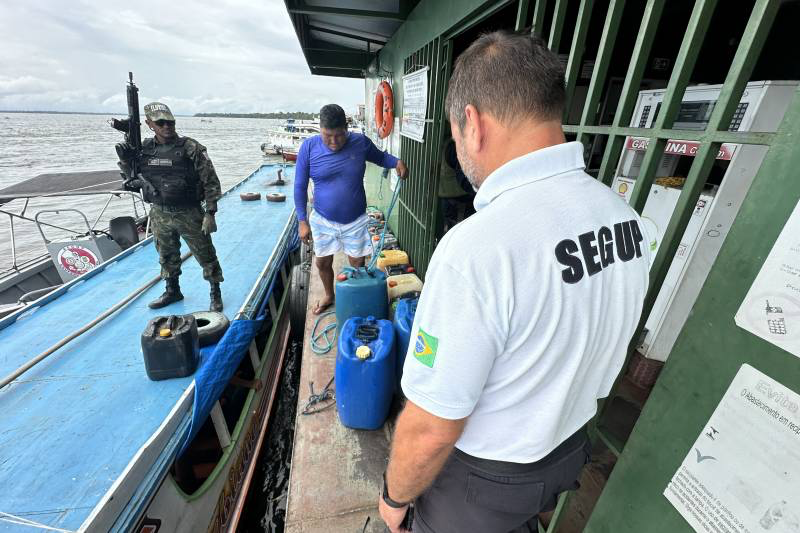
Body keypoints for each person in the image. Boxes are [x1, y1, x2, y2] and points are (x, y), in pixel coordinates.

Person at [378, 31, 650, 533]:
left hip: (483, 484)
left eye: (456, 135)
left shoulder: (476, 250)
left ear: (473, 123)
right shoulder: (626, 219)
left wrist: (394, 497)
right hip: (566, 451)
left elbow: (432, 427)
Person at [294, 104, 408, 314]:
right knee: (322, 262)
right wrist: (302, 221)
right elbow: (299, 186)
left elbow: (381, 157)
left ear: (346, 129)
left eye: (339, 135)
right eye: (327, 136)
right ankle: (329, 295)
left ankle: (357, 298)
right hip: (322, 219)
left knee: (357, 263)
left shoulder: (360, 142)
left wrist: (396, 162)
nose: (334, 141)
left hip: (355, 220)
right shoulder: (308, 148)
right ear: (320, 130)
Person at [121, 102, 224, 311]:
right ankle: (172, 290)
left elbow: (211, 181)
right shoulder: (144, 150)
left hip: (189, 212)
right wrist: (125, 160)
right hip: (160, 212)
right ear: (149, 124)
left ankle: (215, 293)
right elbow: (131, 177)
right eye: (160, 123)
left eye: (170, 122)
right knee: (166, 255)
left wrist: (210, 213)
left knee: (205, 254)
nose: (167, 126)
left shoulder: (191, 147)